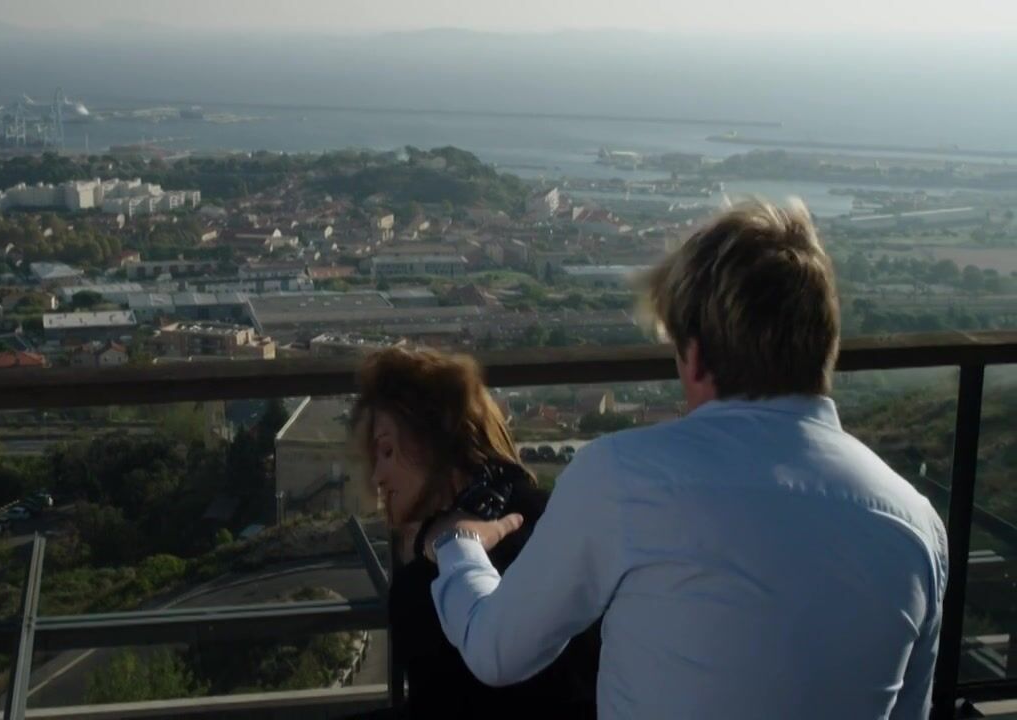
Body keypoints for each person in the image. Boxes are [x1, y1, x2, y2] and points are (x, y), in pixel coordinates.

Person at [424, 199, 949, 719]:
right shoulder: (918, 526)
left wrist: (457, 545)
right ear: (823, 347)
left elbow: (497, 650)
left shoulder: (622, 478)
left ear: (694, 356)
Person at [351, 347, 599, 718]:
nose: (377, 477)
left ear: (436, 442)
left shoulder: (421, 589)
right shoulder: (554, 514)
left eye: (387, 451)